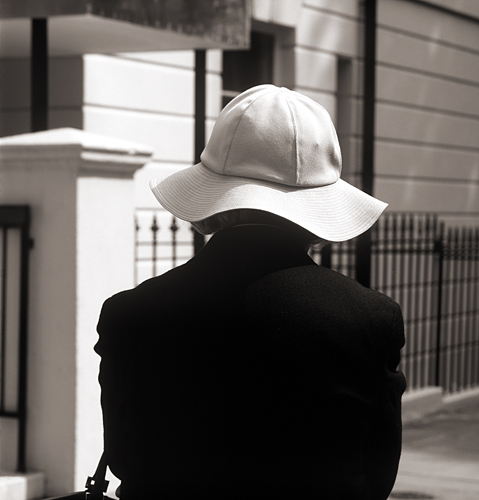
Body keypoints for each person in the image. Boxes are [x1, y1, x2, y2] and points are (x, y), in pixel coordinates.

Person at [95, 84, 406, 499]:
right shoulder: (369, 319)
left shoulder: (129, 314)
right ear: (316, 218)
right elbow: (378, 474)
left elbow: (123, 458)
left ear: (211, 210)